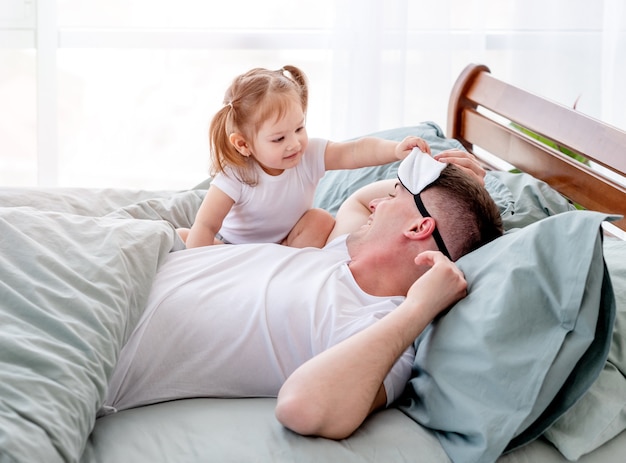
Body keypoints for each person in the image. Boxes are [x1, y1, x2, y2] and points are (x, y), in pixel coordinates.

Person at [102, 149, 503, 440]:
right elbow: (360, 199)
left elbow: (303, 407)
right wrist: (460, 181)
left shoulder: (382, 334)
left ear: (418, 230)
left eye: (393, 195)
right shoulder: (338, 251)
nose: (378, 201)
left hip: (102, 335)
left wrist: (419, 306)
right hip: (117, 267)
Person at [178, 65, 430, 249]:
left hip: (286, 243)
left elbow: (354, 151)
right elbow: (206, 225)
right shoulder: (235, 174)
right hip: (233, 248)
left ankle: (287, 266)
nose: (294, 143)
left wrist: (395, 150)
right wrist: (199, 264)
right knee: (184, 237)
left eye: (299, 129)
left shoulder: (308, 155)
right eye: (279, 139)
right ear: (244, 145)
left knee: (319, 219)